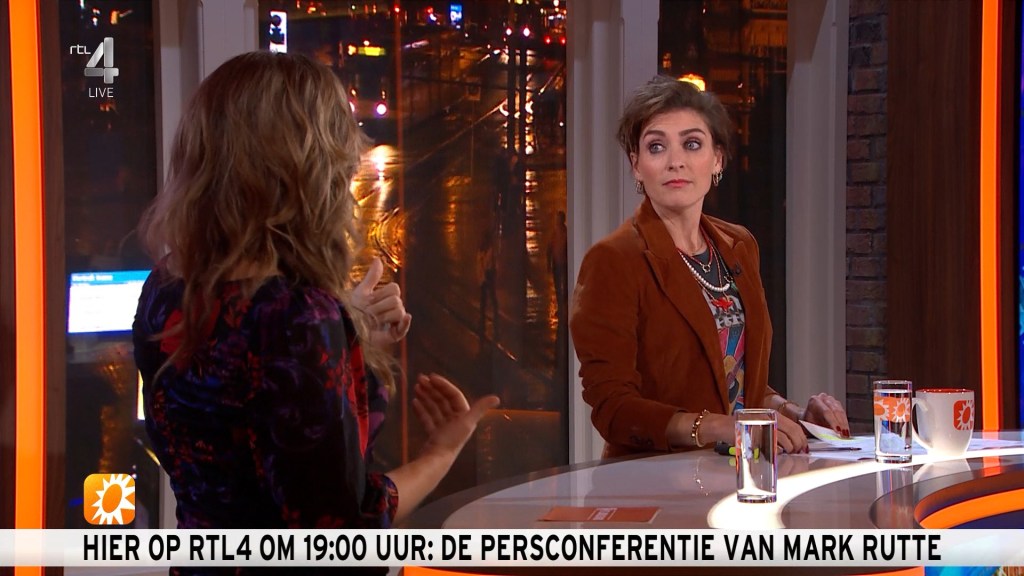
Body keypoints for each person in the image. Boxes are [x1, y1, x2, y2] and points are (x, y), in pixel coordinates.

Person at [132, 51, 498, 573]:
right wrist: (441, 452)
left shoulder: (166, 288)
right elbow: (342, 536)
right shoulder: (298, 317)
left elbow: (239, 424)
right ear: (308, 168)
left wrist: (347, 338)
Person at [569, 76, 848, 458]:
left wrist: (796, 415)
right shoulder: (613, 260)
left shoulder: (739, 245)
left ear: (717, 159)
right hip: (654, 477)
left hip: (741, 471)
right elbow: (613, 409)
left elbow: (734, 383)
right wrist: (717, 427)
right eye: (656, 147)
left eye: (692, 144)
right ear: (636, 165)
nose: (675, 161)